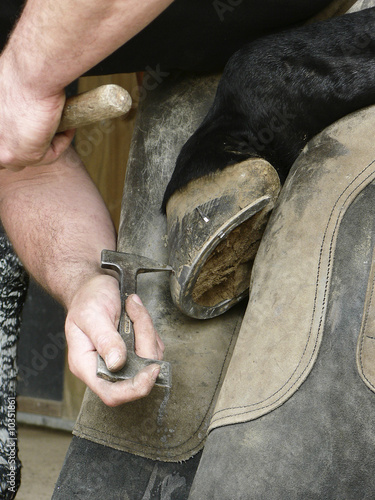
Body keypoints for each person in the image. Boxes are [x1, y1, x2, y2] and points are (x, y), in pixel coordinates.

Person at [0, 0, 359, 498]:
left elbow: (19, 94)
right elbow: (26, 161)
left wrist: (25, 76)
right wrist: (86, 281)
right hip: (197, 45)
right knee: (159, 373)